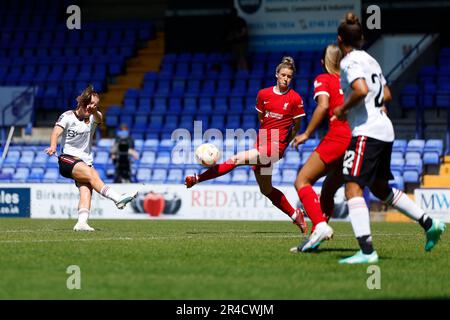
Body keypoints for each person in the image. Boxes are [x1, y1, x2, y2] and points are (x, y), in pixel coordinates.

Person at [332, 13, 445, 264]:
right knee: (380, 188)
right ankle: (429, 223)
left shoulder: (349, 62)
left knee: (352, 186)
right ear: (360, 38)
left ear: (340, 40)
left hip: (367, 131)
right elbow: (388, 95)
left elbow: (361, 90)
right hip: (384, 129)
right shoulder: (371, 59)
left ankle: (367, 251)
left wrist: (342, 109)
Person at [185, 57, 307, 233]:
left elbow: (296, 127)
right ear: (276, 74)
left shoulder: (295, 99)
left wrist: (284, 143)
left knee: (236, 159)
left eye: (289, 76)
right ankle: (296, 215)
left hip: (275, 146)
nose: (286, 79)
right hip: (262, 140)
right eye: (283, 75)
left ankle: (197, 179)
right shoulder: (263, 94)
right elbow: (262, 120)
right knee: (266, 189)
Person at [45, 85, 138, 231]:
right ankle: (117, 198)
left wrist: (95, 110)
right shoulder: (68, 116)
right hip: (67, 159)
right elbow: (56, 132)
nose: (93, 107)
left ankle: (81, 223)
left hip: (84, 162)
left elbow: (100, 118)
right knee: (92, 174)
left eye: (96, 105)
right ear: (83, 102)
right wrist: (52, 146)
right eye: (91, 103)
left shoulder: (94, 117)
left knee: (87, 189)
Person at [290, 44, 351, 252]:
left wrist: (306, 134)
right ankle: (315, 239)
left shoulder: (323, 78)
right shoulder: (350, 81)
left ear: (323, 63)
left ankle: (321, 226)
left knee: (301, 181)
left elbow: (323, 105)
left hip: (337, 137)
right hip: (355, 140)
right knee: (328, 190)